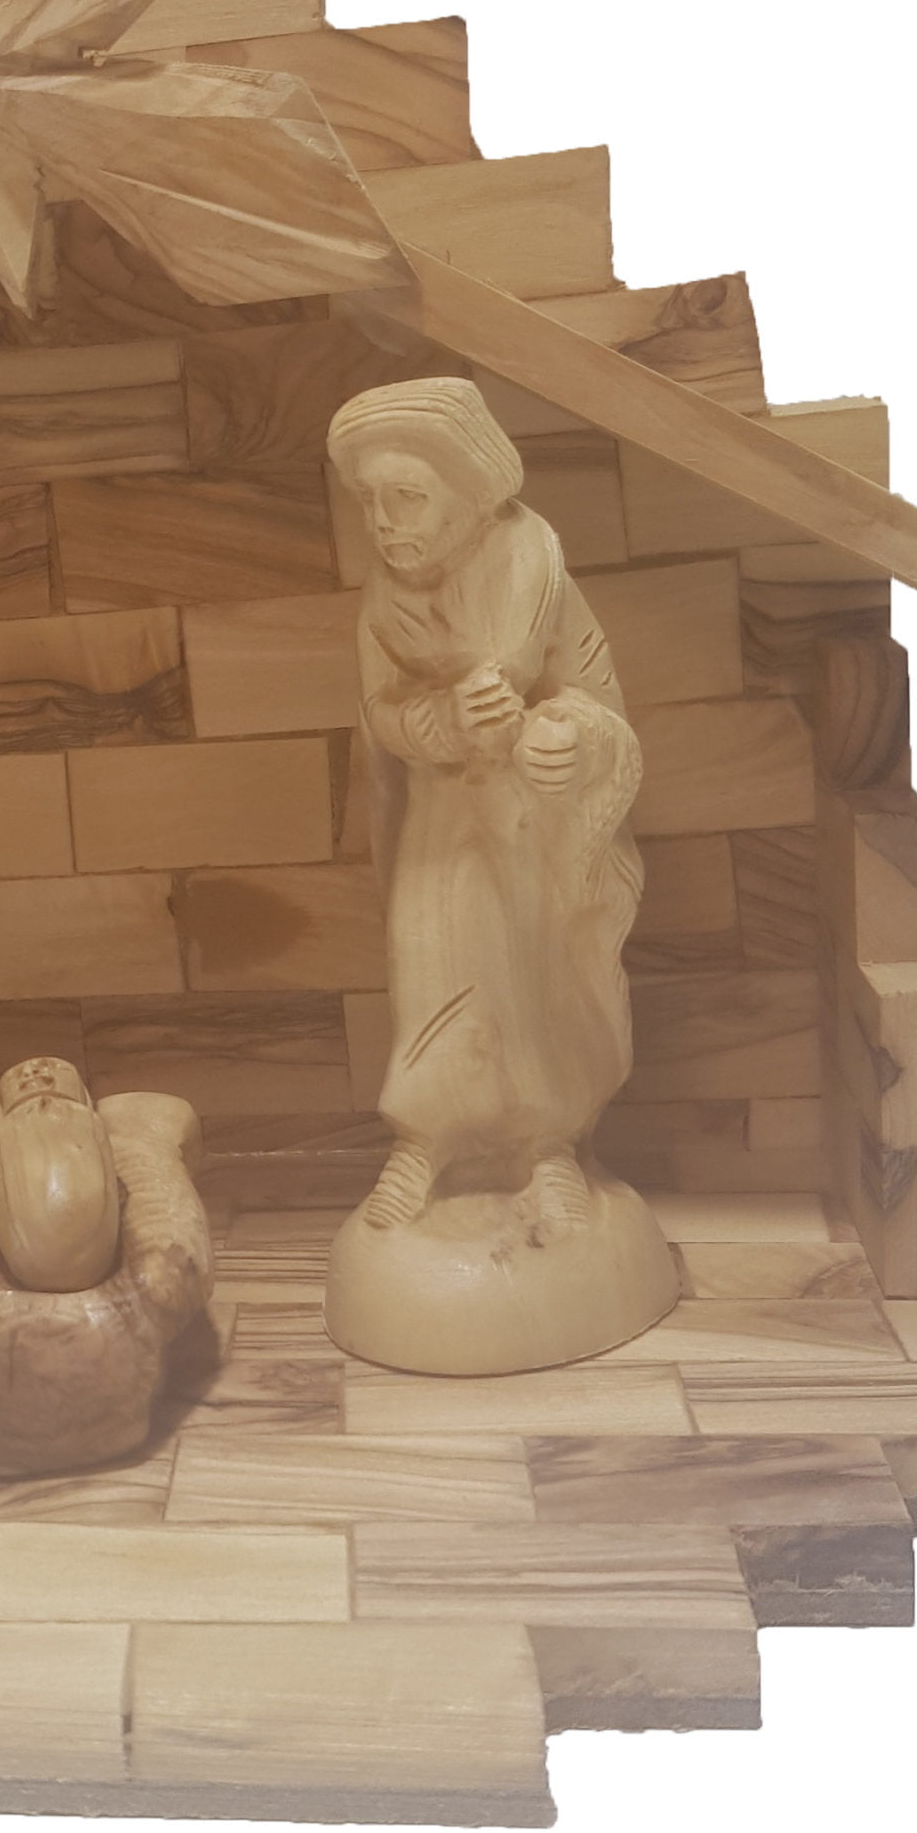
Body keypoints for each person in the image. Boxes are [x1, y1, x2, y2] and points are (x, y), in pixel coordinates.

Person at [328, 378, 644, 1237]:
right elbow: (382, 713)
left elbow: (593, 699)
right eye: (369, 502)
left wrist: (565, 739)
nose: (384, 522)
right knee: (432, 962)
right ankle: (425, 1142)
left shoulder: (533, 562)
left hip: (534, 824)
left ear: (468, 493)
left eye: (406, 497)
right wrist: (439, 721)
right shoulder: (383, 600)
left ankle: (549, 1150)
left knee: (536, 972)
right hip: (439, 822)